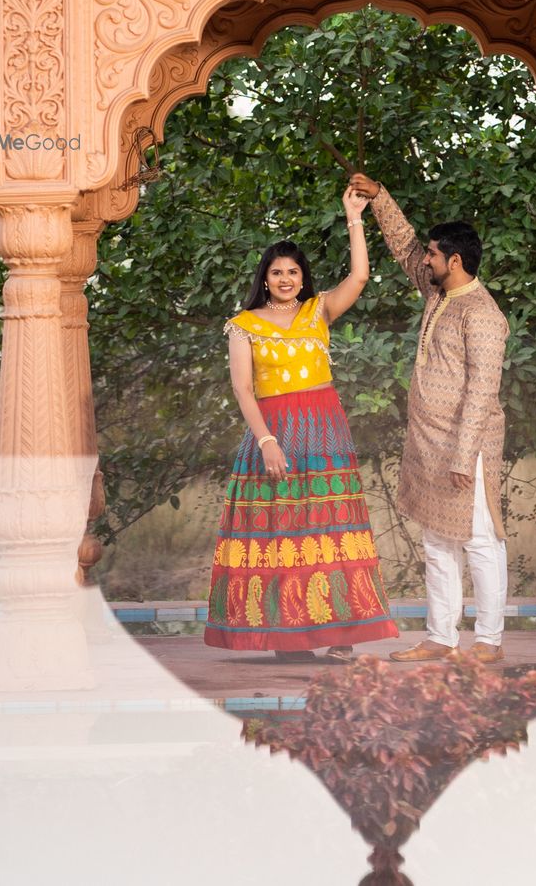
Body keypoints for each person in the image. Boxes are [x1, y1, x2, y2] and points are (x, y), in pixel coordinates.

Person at [204, 185, 398, 659]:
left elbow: (360, 275)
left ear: (302, 277)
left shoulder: (319, 310)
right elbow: (243, 390)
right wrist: (267, 441)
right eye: (277, 272)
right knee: (283, 532)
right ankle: (287, 636)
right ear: (264, 278)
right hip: (274, 432)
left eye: (293, 271)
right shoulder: (244, 324)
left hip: (324, 430)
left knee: (329, 528)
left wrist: (354, 217)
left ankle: (340, 636)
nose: (286, 279)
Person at [350, 173, 509, 664]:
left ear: (454, 261)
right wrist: (380, 198)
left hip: (468, 447)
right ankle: (441, 637)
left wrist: (464, 456)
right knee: (438, 540)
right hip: (429, 443)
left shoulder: (481, 314)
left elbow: (483, 391)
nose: (425, 261)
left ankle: (489, 641)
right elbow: (403, 247)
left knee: (480, 539)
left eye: (433, 256)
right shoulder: (439, 295)